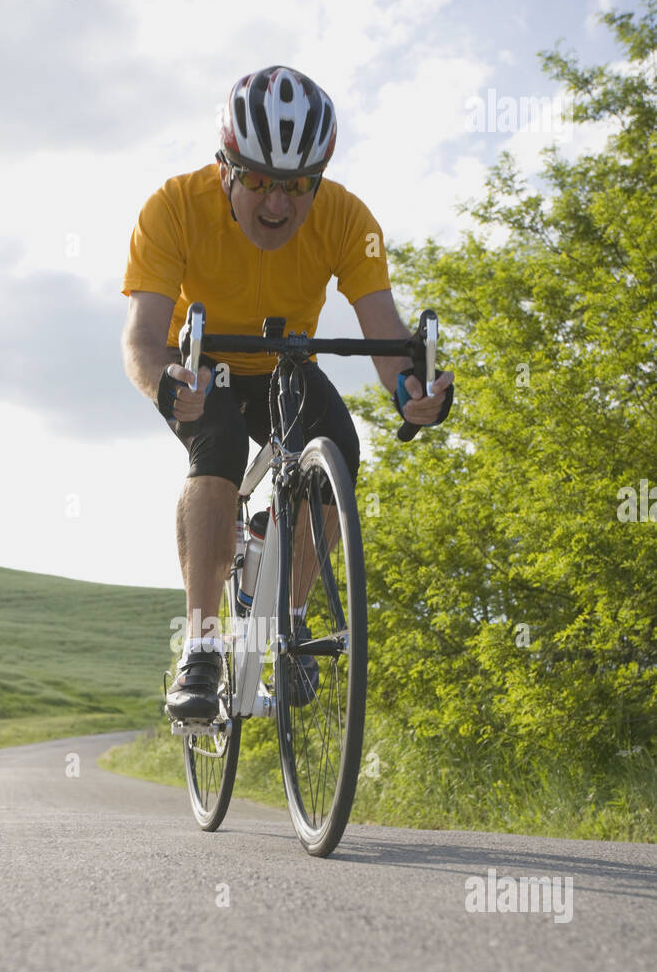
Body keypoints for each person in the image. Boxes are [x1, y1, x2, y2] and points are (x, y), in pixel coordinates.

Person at [121, 65, 453, 720]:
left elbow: (387, 338)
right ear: (226, 168)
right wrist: (166, 385)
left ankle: (290, 627)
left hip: (283, 363)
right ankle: (204, 646)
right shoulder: (174, 207)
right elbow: (140, 339)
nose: (278, 204)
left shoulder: (346, 219)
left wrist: (412, 394)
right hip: (206, 362)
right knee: (213, 444)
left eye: (298, 187)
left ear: (318, 180)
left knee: (339, 449)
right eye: (260, 182)